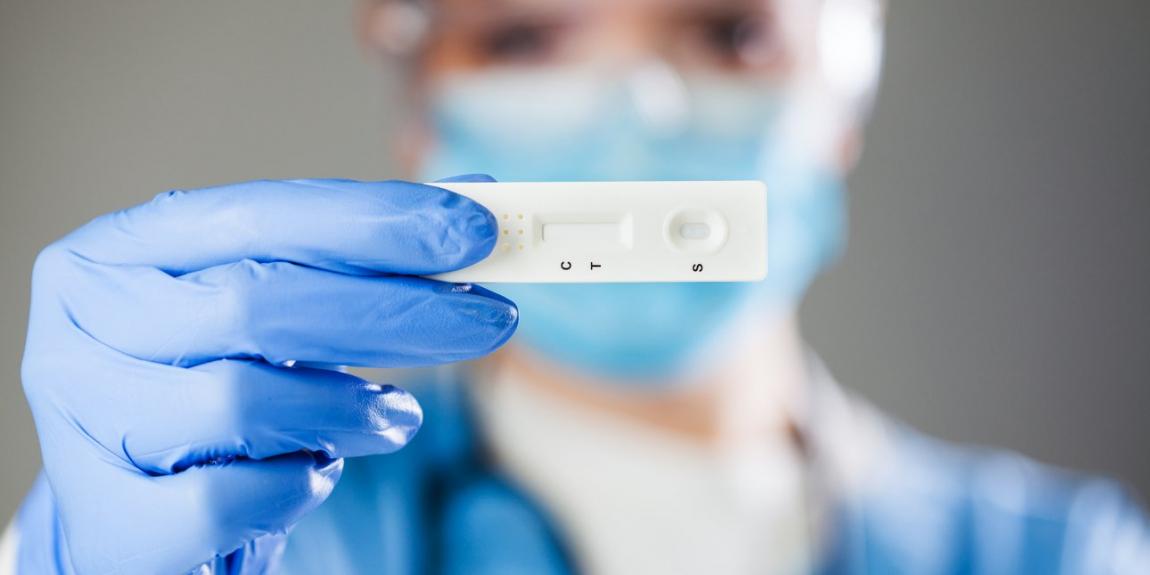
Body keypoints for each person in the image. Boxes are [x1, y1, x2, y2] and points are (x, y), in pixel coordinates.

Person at [3, 0, 1148, 573]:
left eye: (731, 30)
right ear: (417, 112)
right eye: (528, 36)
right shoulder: (278, 523)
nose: (638, 98)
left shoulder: (1059, 553)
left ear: (839, 115)